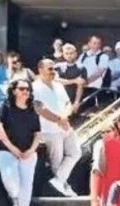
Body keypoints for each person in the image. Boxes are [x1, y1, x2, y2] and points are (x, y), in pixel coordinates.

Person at [0, 79, 41, 206]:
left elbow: (37, 133)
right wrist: (12, 148)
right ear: (14, 91)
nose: (25, 91)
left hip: (28, 153)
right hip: (6, 151)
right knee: (12, 183)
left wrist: (31, 150)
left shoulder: (32, 109)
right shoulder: (5, 107)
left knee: (26, 185)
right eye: (22, 89)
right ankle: (15, 200)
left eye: (28, 89)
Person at [33, 59, 82, 197]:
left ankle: (59, 182)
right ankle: (63, 188)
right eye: (49, 69)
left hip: (65, 126)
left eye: (54, 69)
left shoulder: (58, 85)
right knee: (57, 161)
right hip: (49, 130)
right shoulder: (35, 87)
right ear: (40, 70)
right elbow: (39, 108)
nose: (53, 71)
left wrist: (65, 117)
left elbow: (67, 103)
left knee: (75, 152)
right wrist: (58, 120)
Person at [54, 44, 87, 114]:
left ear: (75, 54)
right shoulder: (57, 67)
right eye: (67, 53)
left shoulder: (81, 68)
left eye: (71, 53)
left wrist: (76, 102)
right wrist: (75, 80)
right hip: (59, 99)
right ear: (63, 55)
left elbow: (80, 86)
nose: (69, 55)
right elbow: (56, 80)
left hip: (74, 100)